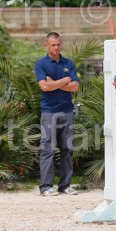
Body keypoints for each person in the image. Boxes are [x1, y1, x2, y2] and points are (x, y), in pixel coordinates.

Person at [34, 32, 80, 196]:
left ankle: (65, 185)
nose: (56, 47)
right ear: (46, 45)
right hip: (49, 112)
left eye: (58, 44)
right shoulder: (41, 64)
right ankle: (46, 187)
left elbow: (75, 87)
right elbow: (44, 87)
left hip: (67, 111)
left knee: (67, 149)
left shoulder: (69, 63)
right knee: (48, 149)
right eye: (53, 45)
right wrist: (65, 80)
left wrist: (54, 83)